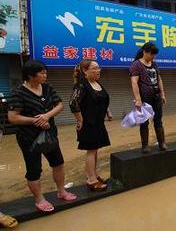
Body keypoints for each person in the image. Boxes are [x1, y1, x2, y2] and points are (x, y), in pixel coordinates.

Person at [7, 60, 77, 213]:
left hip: (50, 135)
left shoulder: (47, 87)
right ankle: (39, 199)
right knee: (34, 170)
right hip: (29, 138)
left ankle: (61, 191)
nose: (46, 75)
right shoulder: (17, 92)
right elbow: (13, 117)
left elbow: (60, 105)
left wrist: (46, 116)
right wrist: (36, 121)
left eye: (46, 72)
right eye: (42, 73)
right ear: (31, 75)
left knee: (58, 163)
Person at [69, 59, 112, 191]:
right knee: (91, 150)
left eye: (99, 68)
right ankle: (91, 180)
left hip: (98, 122)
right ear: (85, 71)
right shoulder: (81, 85)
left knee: (95, 149)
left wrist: (108, 112)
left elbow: (102, 100)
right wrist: (80, 120)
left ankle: (93, 174)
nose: (98, 70)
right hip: (88, 123)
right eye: (95, 68)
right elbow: (73, 103)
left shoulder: (96, 83)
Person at [130, 42, 167, 153]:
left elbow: (159, 79)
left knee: (158, 120)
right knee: (144, 121)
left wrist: (162, 94)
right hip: (145, 97)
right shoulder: (136, 65)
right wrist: (138, 99)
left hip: (156, 96)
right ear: (144, 52)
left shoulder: (154, 64)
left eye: (154, 55)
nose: (153, 57)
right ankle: (145, 146)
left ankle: (162, 143)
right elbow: (134, 82)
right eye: (151, 54)